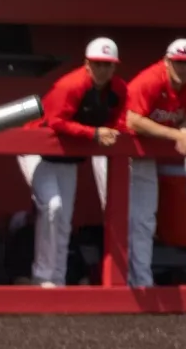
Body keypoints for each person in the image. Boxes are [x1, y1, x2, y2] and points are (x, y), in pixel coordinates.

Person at [17, 38, 128, 288]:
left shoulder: (117, 89)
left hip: (67, 157)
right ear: (87, 64)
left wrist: (111, 131)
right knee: (52, 208)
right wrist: (94, 134)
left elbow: (119, 120)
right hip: (36, 150)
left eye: (108, 65)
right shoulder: (71, 84)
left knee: (64, 218)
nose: (103, 70)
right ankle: (42, 276)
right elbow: (55, 121)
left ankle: (57, 277)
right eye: (98, 64)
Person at [125, 39, 186, 288]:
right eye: (178, 63)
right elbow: (132, 121)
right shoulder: (149, 80)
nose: (183, 69)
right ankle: (121, 283)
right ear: (167, 61)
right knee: (121, 217)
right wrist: (176, 135)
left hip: (145, 155)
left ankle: (142, 282)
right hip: (119, 153)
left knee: (145, 218)